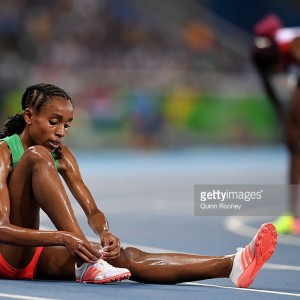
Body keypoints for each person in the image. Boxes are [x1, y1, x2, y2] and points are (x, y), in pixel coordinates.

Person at [0, 83, 277, 287]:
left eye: (67, 125)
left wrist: (105, 232)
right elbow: (1, 229)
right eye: (54, 122)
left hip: (34, 255)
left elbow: (92, 211)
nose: (61, 132)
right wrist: (63, 238)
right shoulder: (4, 153)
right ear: (28, 116)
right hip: (6, 255)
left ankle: (232, 264)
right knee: (38, 157)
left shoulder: (61, 154)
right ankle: (88, 261)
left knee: (126, 257)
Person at [252, 14, 300, 234]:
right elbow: (269, 88)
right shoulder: (259, 54)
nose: (275, 74)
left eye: (276, 69)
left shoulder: (293, 46)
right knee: (294, 146)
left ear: (281, 58)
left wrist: (292, 121)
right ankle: (292, 216)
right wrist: (284, 120)